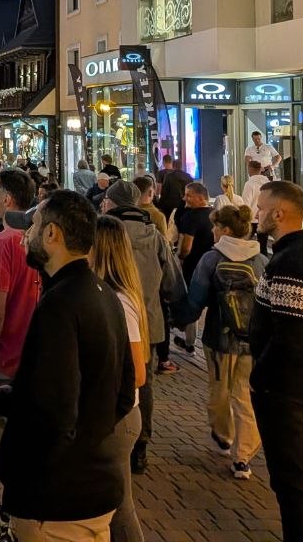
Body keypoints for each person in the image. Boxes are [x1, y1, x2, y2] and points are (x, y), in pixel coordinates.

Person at [0, 191, 136, 540]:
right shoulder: (103, 293)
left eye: (33, 227)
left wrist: (27, 470)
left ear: (52, 235)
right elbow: (124, 393)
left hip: (56, 502)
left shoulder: (60, 305)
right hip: (94, 487)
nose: (25, 236)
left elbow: (53, 411)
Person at [250, 180, 303, 542]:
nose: (257, 213)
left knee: (292, 481)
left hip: (286, 388)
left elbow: (290, 336)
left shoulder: (292, 262)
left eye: (261, 207)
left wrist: (260, 377)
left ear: (279, 213)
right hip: (301, 382)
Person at [103, 179, 185, 474]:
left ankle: (111, 434)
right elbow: (173, 283)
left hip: (109, 318)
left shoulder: (104, 236)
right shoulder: (155, 236)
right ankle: (141, 444)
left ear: (112, 203)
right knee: (144, 382)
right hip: (148, 320)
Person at [180, 204, 264, 480]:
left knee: (219, 392)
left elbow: (196, 297)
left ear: (226, 230)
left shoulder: (211, 259)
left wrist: (182, 319)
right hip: (252, 340)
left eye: (216, 227)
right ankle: (244, 457)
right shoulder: (260, 260)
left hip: (219, 337)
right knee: (245, 396)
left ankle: (224, 436)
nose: (213, 231)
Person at [90, 215, 149, 542]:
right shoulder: (111, 293)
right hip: (117, 414)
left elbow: (137, 371)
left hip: (119, 416)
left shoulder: (119, 299)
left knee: (119, 506)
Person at [0, 168, 41, 454]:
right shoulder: (39, 239)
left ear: (6, 200)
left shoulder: (2, 243)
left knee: (5, 439)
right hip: (35, 355)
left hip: (6, 356)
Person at [173, 182, 216, 355]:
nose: (185, 198)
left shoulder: (190, 217)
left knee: (192, 301)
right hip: (213, 264)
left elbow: (186, 247)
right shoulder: (215, 214)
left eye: (188, 195)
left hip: (194, 266)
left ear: (200, 197)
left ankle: (190, 342)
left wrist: (181, 257)